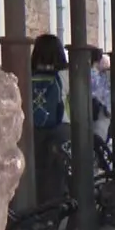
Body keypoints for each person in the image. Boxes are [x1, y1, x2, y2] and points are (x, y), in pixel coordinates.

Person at [28, 34, 69, 197]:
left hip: (33, 129)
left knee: (36, 167)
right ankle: (55, 203)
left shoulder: (27, 73)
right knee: (57, 169)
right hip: (60, 128)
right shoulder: (65, 75)